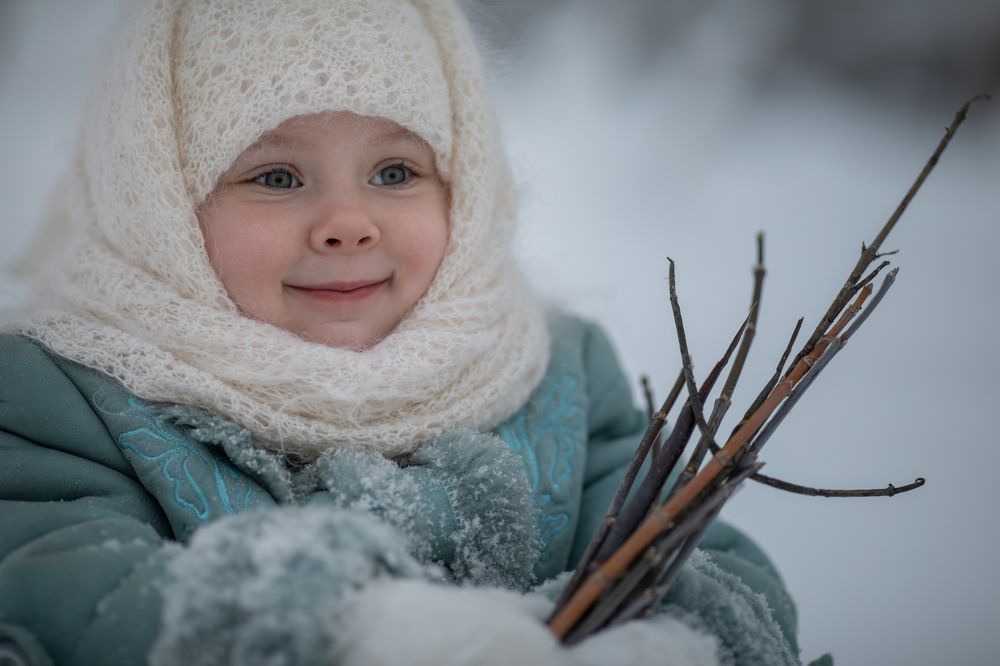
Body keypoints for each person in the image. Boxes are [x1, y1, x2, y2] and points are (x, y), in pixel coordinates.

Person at [0, 1, 818, 664]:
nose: (348, 223)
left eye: (394, 172)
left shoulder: (553, 375)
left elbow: (700, 560)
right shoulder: (62, 396)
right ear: (158, 206)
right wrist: (349, 630)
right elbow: (56, 591)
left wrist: (669, 641)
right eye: (276, 176)